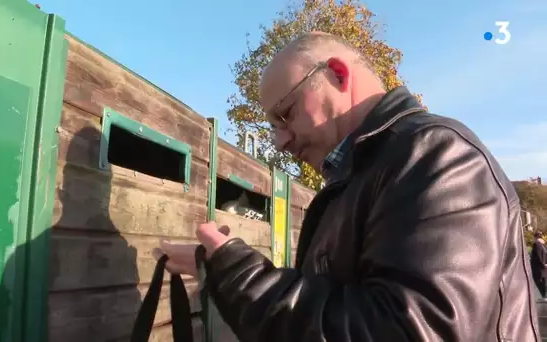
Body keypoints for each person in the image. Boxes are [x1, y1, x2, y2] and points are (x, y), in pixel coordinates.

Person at [155, 32, 541, 341]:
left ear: (338, 74)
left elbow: (411, 330)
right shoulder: (365, 174)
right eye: (273, 126)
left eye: (286, 114)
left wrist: (243, 278)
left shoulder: (437, 154)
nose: (280, 140)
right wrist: (217, 267)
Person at [531, 231, 547, 299]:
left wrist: (543, 264)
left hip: (538, 267)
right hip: (544, 267)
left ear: (535, 237)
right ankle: (544, 296)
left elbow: (537, 256)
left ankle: (544, 296)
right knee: (543, 281)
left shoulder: (536, 244)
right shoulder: (543, 245)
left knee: (537, 280)